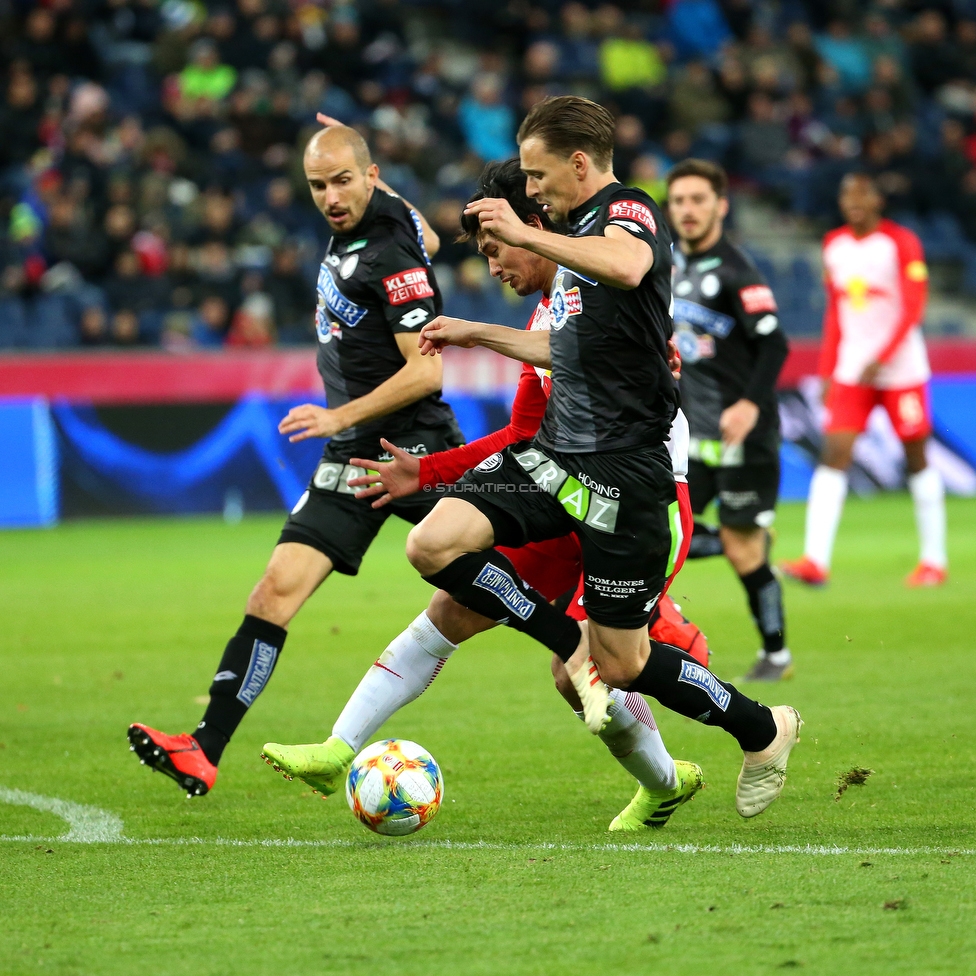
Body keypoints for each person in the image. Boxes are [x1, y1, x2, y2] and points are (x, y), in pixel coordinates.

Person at [367, 97, 798, 817]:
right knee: (434, 542)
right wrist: (480, 332)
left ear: (577, 164)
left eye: (538, 176)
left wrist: (522, 232)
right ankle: (569, 640)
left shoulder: (628, 213)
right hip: (561, 459)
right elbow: (563, 349)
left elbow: (630, 266)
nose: (530, 191)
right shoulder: (575, 244)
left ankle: (763, 729)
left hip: (629, 474)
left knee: (622, 663)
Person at [262, 159, 710, 832]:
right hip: (567, 497)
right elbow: (522, 436)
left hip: (638, 504)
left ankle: (685, 739)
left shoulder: (605, 294)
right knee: (454, 601)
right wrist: (433, 471)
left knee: (582, 673)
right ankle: (339, 748)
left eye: (496, 247)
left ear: (534, 227)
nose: (493, 265)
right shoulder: (548, 308)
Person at [127, 123, 464, 797]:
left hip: (411, 442)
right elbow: (428, 235)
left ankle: (637, 631)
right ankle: (204, 748)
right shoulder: (385, 220)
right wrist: (357, 158)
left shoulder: (388, 250)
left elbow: (426, 375)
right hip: (352, 451)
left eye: (344, 181)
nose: (331, 198)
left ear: (370, 177)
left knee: (497, 576)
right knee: (273, 592)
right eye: (318, 185)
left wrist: (338, 413)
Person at [781, 172, 946, 588]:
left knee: (916, 457)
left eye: (862, 193)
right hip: (854, 369)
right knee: (833, 453)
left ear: (877, 199)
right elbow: (837, 312)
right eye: (847, 194)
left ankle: (934, 560)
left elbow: (913, 308)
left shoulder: (899, 242)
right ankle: (815, 560)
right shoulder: (834, 245)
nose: (854, 200)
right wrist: (827, 369)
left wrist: (884, 357)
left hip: (902, 369)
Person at [665, 159, 793, 683]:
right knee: (662, 531)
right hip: (694, 438)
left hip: (745, 438)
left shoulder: (738, 270)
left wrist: (750, 404)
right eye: (679, 201)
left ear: (721, 205)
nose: (688, 210)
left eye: (698, 200)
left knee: (743, 552)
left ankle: (777, 656)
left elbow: (775, 342)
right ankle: (746, 538)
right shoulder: (671, 266)